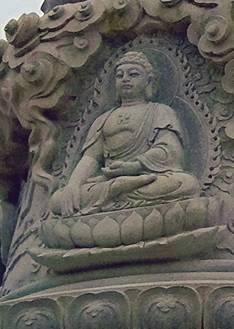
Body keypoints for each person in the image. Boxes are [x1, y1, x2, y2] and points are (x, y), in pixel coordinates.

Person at [50, 51, 198, 217]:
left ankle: (119, 194)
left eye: (133, 74)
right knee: (57, 200)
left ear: (148, 81)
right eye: (120, 75)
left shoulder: (160, 111)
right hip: (108, 182)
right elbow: (91, 158)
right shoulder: (104, 119)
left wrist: (134, 166)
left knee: (186, 184)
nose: (125, 79)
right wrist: (73, 185)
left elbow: (169, 151)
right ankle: (119, 192)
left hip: (146, 178)